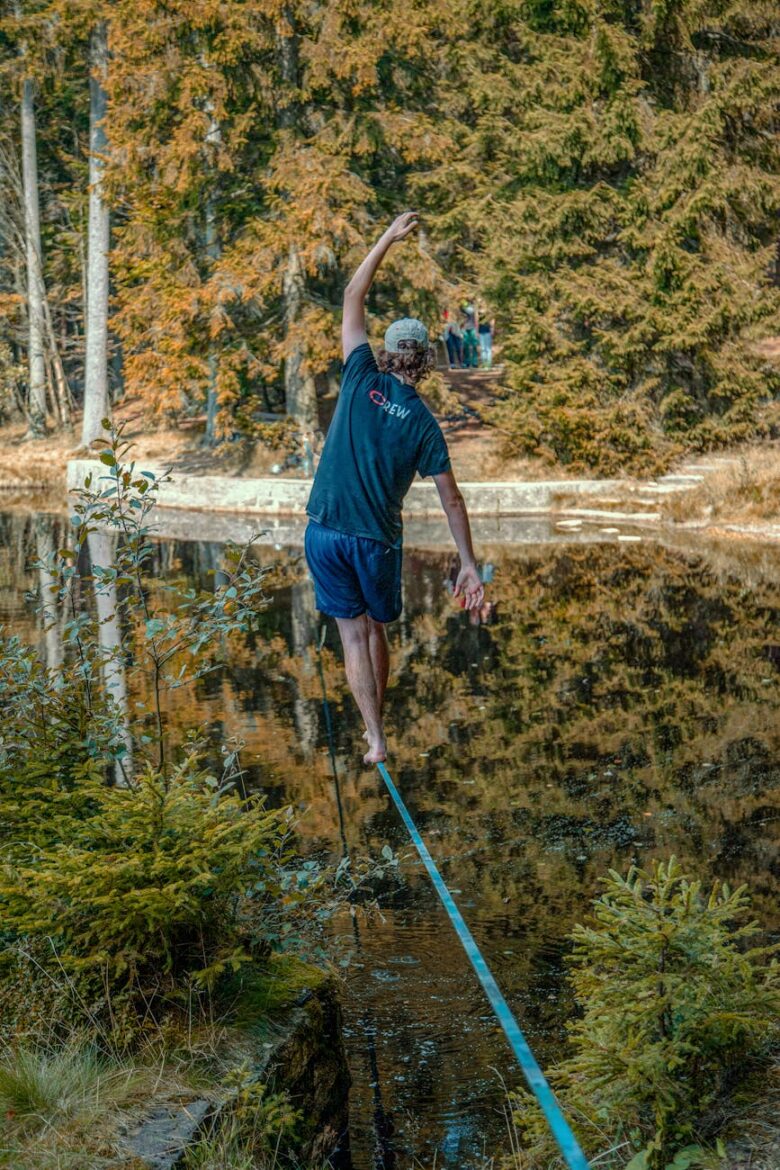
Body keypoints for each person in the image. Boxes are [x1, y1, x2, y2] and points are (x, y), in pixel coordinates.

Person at [305, 211, 485, 764]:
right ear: (425, 360)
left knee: (351, 636)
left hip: (323, 529)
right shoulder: (426, 424)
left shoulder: (359, 373)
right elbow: (451, 499)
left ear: (388, 352)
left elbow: (351, 296)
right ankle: (377, 735)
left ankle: (373, 735)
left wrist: (386, 238)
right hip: (374, 541)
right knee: (376, 628)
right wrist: (468, 562)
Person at [461, 303, 479, 369]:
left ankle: (475, 362)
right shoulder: (461, 305)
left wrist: (477, 330)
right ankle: (466, 362)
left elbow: (475, 316)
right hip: (465, 329)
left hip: (472, 328)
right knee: (465, 346)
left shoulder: (473, 306)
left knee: (474, 345)